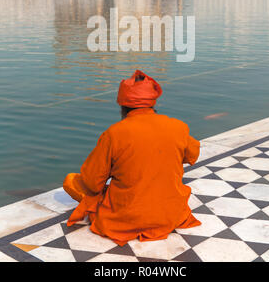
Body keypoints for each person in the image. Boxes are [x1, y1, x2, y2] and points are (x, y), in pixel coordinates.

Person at [63, 70, 201, 246]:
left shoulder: (114, 133)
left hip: (125, 218)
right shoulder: (178, 127)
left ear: (123, 106)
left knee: (71, 180)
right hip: (171, 215)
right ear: (152, 102)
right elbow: (193, 155)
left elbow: (92, 182)